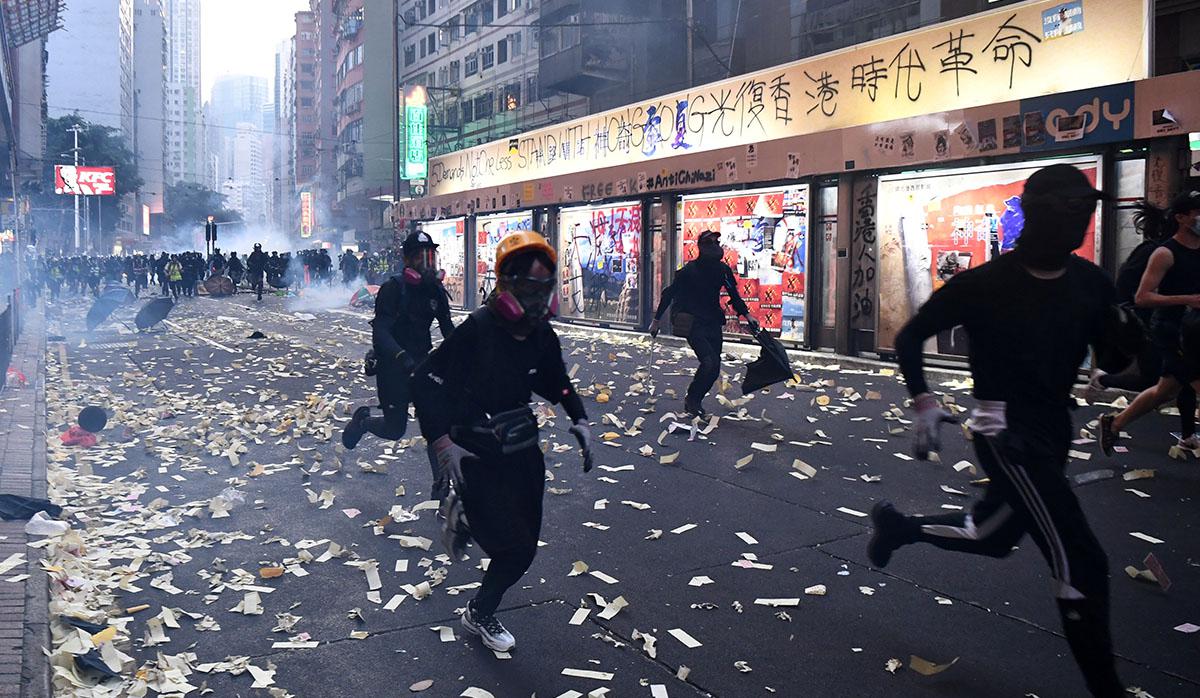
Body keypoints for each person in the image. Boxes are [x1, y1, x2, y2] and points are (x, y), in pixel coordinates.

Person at [868, 164, 1130, 698]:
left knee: (991, 538)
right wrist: (923, 399)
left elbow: (1118, 360)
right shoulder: (986, 285)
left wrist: (1131, 338)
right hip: (1006, 435)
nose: (1080, 222)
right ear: (1036, 215)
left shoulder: (1091, 284)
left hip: (1053, 432)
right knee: (1081, 557)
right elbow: (912, 336)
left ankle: (898, 528)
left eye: (1087, 211)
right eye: (1070, 211)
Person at [410, 230, 592, 653]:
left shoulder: (541, 335)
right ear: (506, 285)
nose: (535, 300)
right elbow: (425, 381)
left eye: (544, 289)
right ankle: (480, 611)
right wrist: (441, 443)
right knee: (512, 546)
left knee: (524, 546)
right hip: (474, 450)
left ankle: (471, 526)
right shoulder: (478, 330)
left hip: (520, 447)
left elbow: (556, 381)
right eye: (528, 287)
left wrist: (580, 418)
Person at [342, 232, 455, 496]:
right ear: (407, 260)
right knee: (395, 429)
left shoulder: (435, 291)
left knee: (436, 425)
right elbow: (380, 331)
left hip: (423, 364)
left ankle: (440, 485)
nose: (427, 263)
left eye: (431, 256)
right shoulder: (393, 289)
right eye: (420, 257)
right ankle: (364, 421)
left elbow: (449, 329)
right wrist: (401, 357)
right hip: (394, 366)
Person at [1099, 192, 1200, 452]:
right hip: (1171, 332)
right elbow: (1143, 297)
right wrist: (1187, 298)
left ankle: (1115, 423)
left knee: (1164, 391)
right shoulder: (1164, 253)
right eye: (1197, 212)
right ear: (1181, 218)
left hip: (1195, 330)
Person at [648, 230, 758, 418]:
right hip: (693, 323)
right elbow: (669, 293)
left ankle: (694, 398)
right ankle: (693, 400)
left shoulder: (722, 271)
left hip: (712, 321)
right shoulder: (689, 271)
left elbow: (733, 294)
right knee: (708, 362)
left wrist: (748, 315)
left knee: (714, 368)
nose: (715, 246)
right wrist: (656, 321)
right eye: (710, 243)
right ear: (701, 247)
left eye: (717, 242)